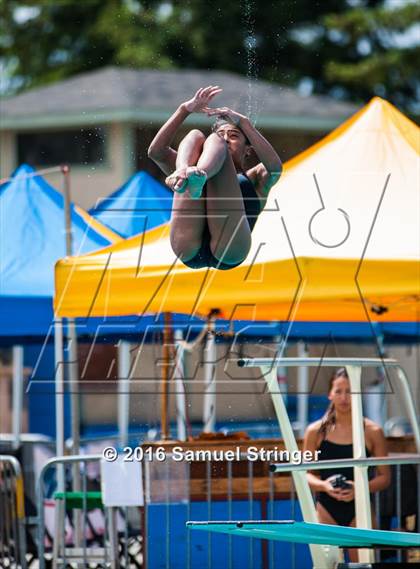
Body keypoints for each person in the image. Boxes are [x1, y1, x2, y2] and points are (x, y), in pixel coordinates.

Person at [147, 85, 282, 270]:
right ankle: (184, 171)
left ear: (248, 150)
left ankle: (200, 175)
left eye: (233, 135)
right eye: (222, 134)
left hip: (230, 249)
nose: (226, 138)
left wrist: (244, 123)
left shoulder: (255, 178)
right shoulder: (190, 163)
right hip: (187, 245)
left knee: (208, 143)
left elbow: (275, 168)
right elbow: (156, 152)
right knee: (195, 135)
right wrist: (184, 109)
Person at [303, 367, 391, 562]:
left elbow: (385, 477)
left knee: (364, 564)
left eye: (350, 391)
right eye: (339, 391)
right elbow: (306, 475)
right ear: (330, 394)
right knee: (327, 565)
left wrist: (357, 488)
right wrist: (325, 486)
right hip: (326, 509)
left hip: (360, 508)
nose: (344, 397)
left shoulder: (372, 431)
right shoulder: (315, 431)